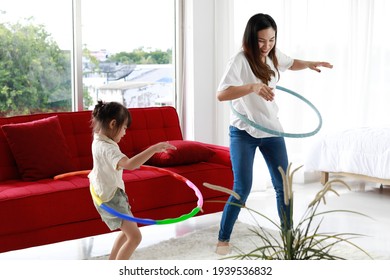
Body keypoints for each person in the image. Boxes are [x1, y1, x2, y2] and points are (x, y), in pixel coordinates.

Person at [215, 13, 333, 255]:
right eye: (261, 41)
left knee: (283, 186)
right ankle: (223, 240)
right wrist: (252, 86)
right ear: (250, 38)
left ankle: (288, 238)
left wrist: (310, 63)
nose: (266, 46)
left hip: (271, 129)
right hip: (243, 131)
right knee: (242, 188)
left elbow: (291, 63)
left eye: (271, 40)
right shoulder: (238, 60)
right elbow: (222, 94)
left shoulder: (273, 55)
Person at [88, 101, 176, 260]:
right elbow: (130, 165)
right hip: (111, 197)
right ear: (113, 124)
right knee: (135, 237)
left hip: (107, 192)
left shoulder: (98, 140)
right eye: (124, 128)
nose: (124, 133)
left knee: (128, 231)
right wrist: (154, 149)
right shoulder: (108, 148)